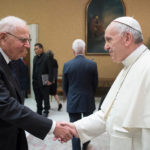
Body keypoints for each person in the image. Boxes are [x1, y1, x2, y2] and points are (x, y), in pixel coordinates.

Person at [58, 16, 150, 150]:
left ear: (127, 38)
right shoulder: (127, 67)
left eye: (109, 40)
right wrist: (75, 127)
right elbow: (107, 115)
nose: (105, 46)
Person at [0, 16, 74, 150]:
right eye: (23, 40)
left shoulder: (10, 60)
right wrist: (52, 127)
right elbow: (6, 106)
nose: (28, 45)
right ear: (3, 37)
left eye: (29, 40)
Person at [62, 39, 98, 150]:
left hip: (73, 100)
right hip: (88, 99)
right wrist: (89, 94)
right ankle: (86, 145)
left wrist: (70, 96)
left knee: (74, 127)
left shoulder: (67, 65)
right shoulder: (92, 64)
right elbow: (95, 84)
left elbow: (65, 86)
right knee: (87, 127)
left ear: (73, 51)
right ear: (84, 50)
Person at [32, 43, 53, 117]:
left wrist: (50, 80)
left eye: (36, 49)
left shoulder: (47, 57)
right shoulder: (35, 58)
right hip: (35, 81)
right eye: (34, 49)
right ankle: (39, 110)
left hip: (44, 80)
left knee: (45, 97)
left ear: (41, 49)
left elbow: (51, 70)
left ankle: (46, 110)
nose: (35, 50)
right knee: (37, 97)